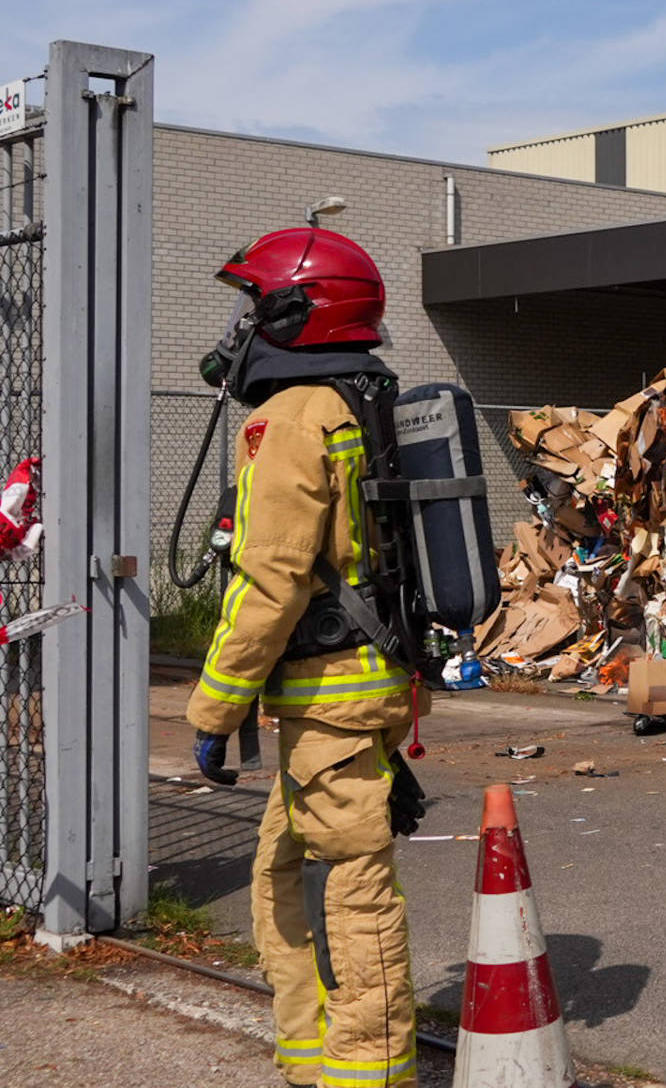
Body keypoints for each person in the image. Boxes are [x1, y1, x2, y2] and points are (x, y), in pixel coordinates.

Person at [185, 227, 427, 1088]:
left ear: (295, 312)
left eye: (251, 305)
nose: (238, 326)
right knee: (279, 871)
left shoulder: (290, 417)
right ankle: (311, 1052)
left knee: (352, 893)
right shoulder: (359, 399)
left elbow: (272, 580)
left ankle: (368, 1073)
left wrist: (214, 710)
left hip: (330, 698)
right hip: (360, 687)